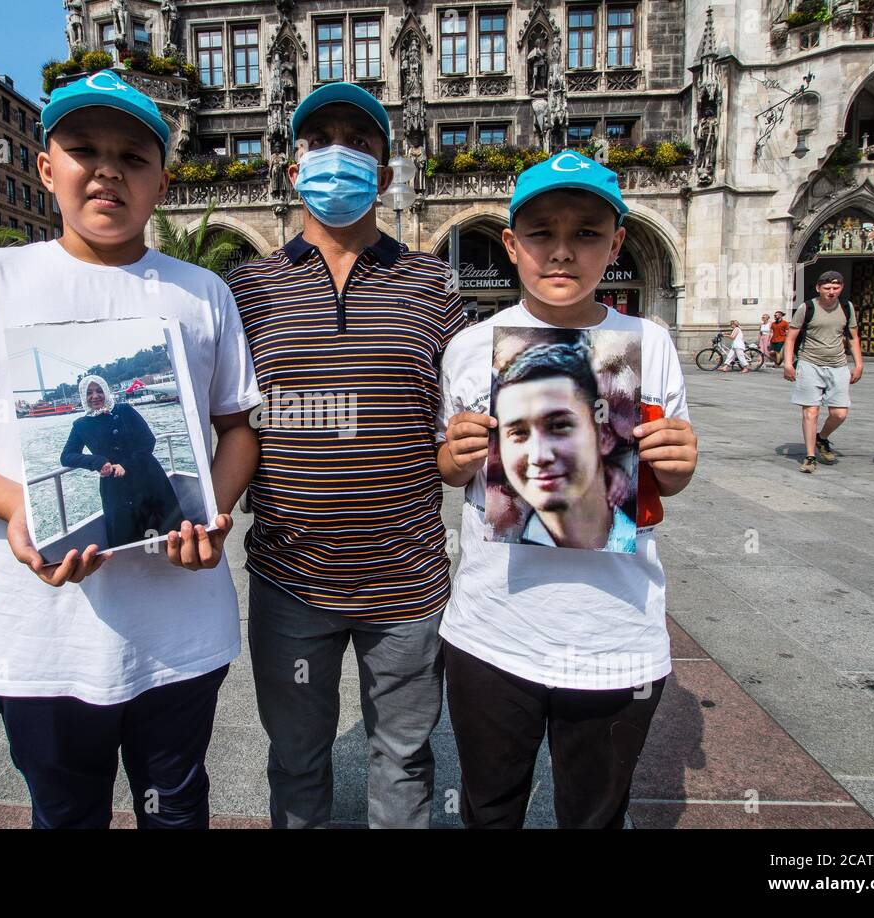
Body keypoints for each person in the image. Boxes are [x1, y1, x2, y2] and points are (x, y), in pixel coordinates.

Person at [0, 70, 261, 829]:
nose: (108, 169)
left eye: (134, 155)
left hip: (181, 625)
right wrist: (16, 505)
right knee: (64, 813)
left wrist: (212, 510)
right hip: (46, 631)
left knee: (178, 808)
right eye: (84, 149)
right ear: (47, 166)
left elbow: (237, 429)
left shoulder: (201, 291)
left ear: (162, 178)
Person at [225, 82, 464, 828]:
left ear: (386, 176)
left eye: (359, 143)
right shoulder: (246, 288)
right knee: (295, 756)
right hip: (290, 577)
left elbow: (468, 414)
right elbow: (227, 422)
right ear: (293, 167)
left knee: (405, 755)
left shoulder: (434, 284)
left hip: (408, 579)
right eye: (319, 138)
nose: (338, 155)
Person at [437, 150, 698, 828]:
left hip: (615, 632)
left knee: (595, 817)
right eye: (541, 233)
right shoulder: (468, 346)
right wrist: (456, 455)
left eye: (586, 233)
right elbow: (454, 469)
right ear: (510, 243)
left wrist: (678, 458)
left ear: (616, 242)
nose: (561, 252)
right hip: (494, 628)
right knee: (490, 809)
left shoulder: (648, 341)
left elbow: (666, 479)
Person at [489, 331, 638, 552]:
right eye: (518, 433)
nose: (539, 455)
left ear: (604, 435)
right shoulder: (502, 535)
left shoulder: (632, 538)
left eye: (559, 426)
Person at [58, 375, 184, 547]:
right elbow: (67, 456)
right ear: (83, 396)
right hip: (116, 487)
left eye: (99, 391)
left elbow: (148, 440)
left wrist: (126, 465)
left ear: (106, 391)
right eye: (89, 392)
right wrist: (97, 461)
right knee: (128, 540)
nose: (95, 396)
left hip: (148, 477)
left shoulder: (125, 410)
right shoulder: (81, 425)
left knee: (168, 530)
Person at [783, 270, 863, 473]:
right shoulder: (807, 307)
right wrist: (788, 363)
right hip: (810, 363)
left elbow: (853, 337)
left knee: (840, 413)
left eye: (836, 288)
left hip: (838, 364)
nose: (832, 292)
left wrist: (859, 364)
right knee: (811, 411)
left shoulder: (847, 307)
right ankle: (810, 456)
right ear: (819, 288)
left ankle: (822, 438)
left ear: (841, 288)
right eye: (827, 288)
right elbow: (791, 337)